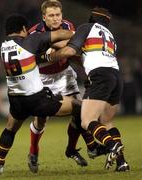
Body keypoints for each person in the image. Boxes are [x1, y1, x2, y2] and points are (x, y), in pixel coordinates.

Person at [0, 13, 83, 175]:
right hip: (36, 99)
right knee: (79, 107)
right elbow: (60, 34)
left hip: (16, 100)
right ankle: (81, 147)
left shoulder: (3, 46)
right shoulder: (29, 41)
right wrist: (79, 34)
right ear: (24, 29)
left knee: (10, 129)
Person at [46, 7, 130, 171]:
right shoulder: (110, 36)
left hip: (100, 76)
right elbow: (82, 53)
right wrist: (54, 44)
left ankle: (112, 145)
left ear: (92, 19)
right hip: (116, 76)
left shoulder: (86, 28)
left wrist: (48, 56)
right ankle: (122, 163)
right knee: (107, 122)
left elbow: (70, 49)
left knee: (86, 121)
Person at [27, 0, 98, 172]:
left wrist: (84, 74)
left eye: (57, 14)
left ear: (62, 15)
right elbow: (30, 59)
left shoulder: (67, 26)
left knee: (80, 111)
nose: (55, 19)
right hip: (42, 77)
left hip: (65, 74)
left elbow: (73, 53)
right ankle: (33, 152)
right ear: (44, 17)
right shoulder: (34, 33)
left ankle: (74, 149)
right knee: (41, 119)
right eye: (51, 15)